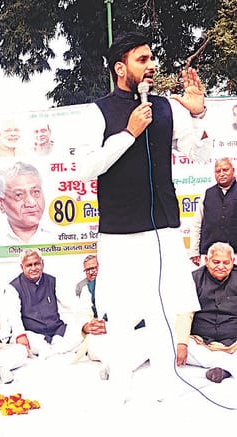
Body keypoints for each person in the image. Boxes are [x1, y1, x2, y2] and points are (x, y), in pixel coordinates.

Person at [76, 31, 210, 403]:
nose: (151, 66)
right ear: (120, 69)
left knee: (163, 308)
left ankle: (166, 385)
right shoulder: (97, 112)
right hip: (119, 232)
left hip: (163, 227)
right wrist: (128, 133)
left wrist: (198, 114)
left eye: (151, 58)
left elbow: (199, 153)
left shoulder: (167, 108)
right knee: (120, 312)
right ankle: (120, 387)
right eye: (142, 60)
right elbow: (87, 167)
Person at [3, 249, 83, 358]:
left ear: (42, 264)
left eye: (36, 264)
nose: (33, 268)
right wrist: (20, 335)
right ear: (22, 267)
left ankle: (50, 352)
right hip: (34, 335)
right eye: (29, 265)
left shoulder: (53, 281)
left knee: (79, 331)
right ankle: (58, 351)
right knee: (21, 341)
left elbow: (71, 304)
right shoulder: (13, 287)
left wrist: (84, 322)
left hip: (57, 332)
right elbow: (14, 315)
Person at [185, 242, 237, 383]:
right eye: (216, 262)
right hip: (200, 342)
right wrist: (182, 343)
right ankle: (227, 367)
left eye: (226, 262)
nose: (221, 266)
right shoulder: (194, 279)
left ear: (233, 261)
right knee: (175, 344)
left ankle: (222, 367)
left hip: (234, 343)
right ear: (207, 260)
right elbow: (185, 314)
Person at [189, 157, 237, 267]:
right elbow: (197, 223)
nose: (222, 174)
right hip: (210, 254)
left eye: (225, 170)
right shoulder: (207, 194)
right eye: (218, 171)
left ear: (233, 170)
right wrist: (194, 251)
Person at [0, 161, 54, 244]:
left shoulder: (59, 236)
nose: (31, 203)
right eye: (19, 195)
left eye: (36, 192)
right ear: (1, 204)